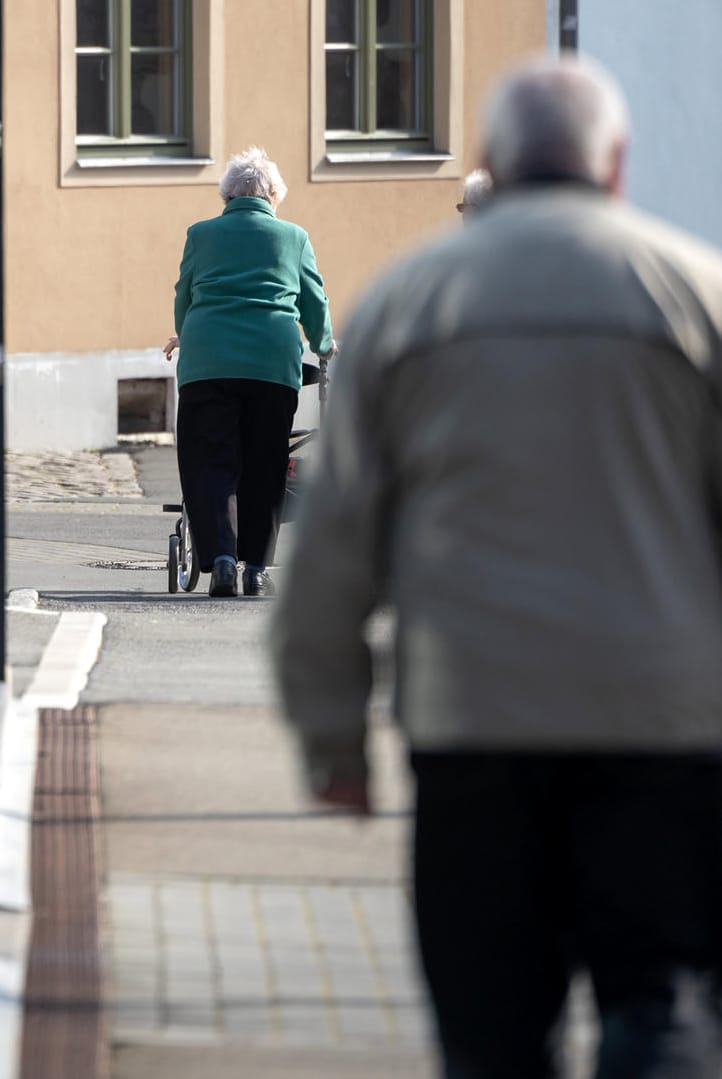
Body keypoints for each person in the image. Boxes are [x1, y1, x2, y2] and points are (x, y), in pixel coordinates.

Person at [271, 57, 722, 1077]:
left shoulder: (406, 305)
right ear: (616, 164)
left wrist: (330, 736)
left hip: (473, 719)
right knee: (663, 1004)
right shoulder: (696, 294)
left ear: (488, 164)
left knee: (490, 1033)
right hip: (666, 725)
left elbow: (333, 541)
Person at [163, 146, 335, 598]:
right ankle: (256, 568)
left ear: (227, 196)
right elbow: (314, 303)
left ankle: (221, 560)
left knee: (209, 461)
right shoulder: (293, 237)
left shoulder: (200, 234)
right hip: (271, 362)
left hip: (207, 363)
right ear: (274, 195)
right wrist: (324, 345)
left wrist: (186, 332)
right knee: (266, 462)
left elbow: (184, 297)